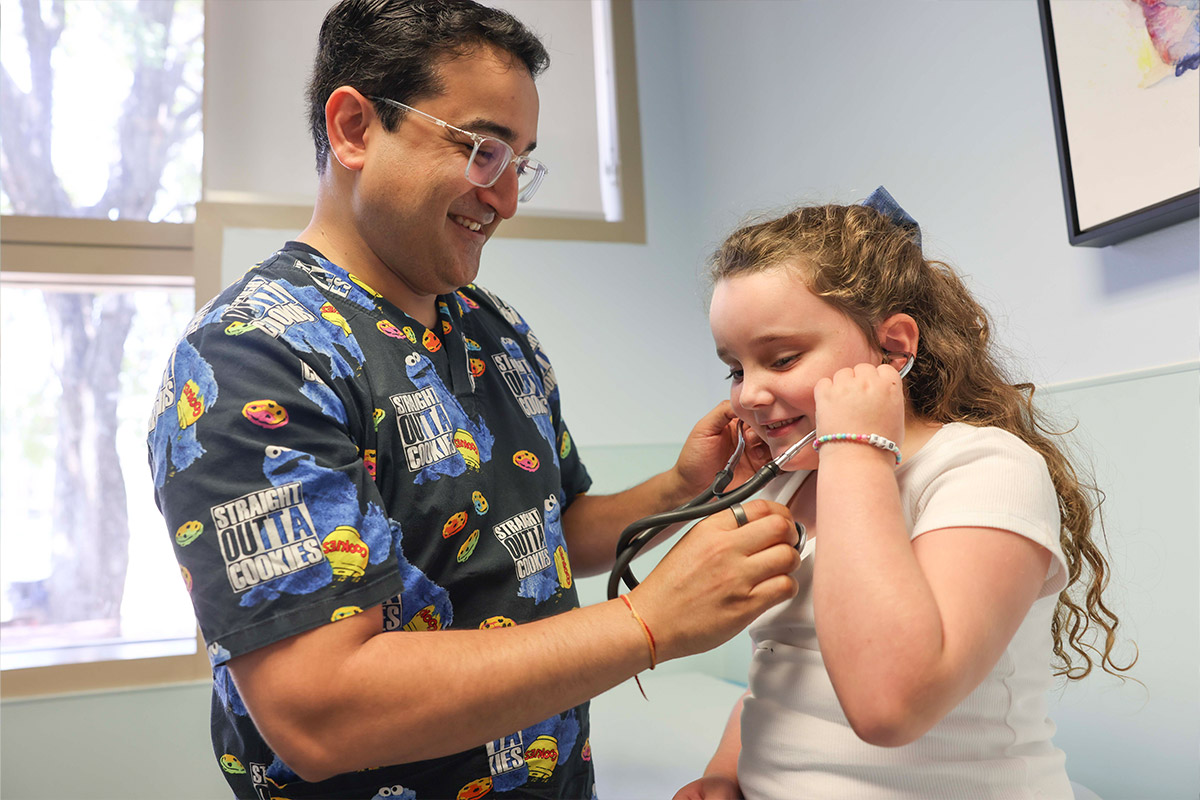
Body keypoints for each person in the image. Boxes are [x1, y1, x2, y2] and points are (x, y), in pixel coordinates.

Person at [147, 2, 801, 798]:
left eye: (520, 162)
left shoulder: (495, 330)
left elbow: (542, 535)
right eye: (483, 150)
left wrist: (679, 486)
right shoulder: (254, 356)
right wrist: (647, 623)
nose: (507, 199)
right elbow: (319, 713)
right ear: (355, 128)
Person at [674, 187, 1132, 800]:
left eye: (781, 359)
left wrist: (856, 450)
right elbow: (783, 673)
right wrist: (726, 774)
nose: (749, 394)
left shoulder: (983, 468)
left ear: (893, 348)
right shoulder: (787, 486)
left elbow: (889, 704)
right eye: (735, 368)